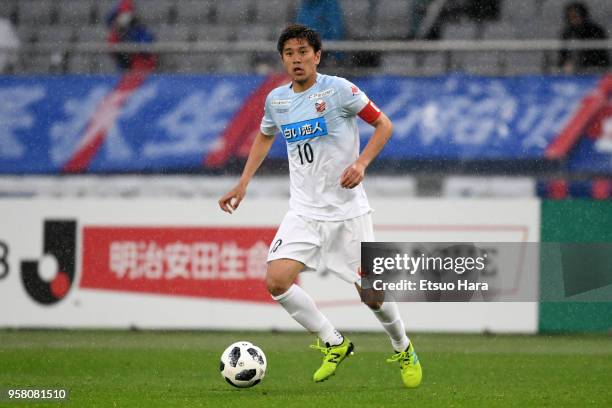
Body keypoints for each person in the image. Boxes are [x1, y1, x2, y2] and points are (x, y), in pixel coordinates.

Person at [218, 24, 422, 388]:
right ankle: (333, 341)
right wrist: (244, 182)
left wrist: (360, 164)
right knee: (277, 281)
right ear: (282, 59)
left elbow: (384, 125)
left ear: (317, 55)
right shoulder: (276, 101)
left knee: (371, 295)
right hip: (304, 212)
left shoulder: (339, 90)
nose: (296, 59)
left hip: (348, 213)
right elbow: (265, 136)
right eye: (289, 54)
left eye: (303, 52)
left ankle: (403, 346)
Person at [106, 0, 157, 72]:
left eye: (128, 14)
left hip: (141, 68)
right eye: (123, 14)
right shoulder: (115, 31)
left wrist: (132, 38)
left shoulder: (139, 29)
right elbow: (112, 48)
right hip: (124, 69)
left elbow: (146, 48)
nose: (125, 17)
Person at [558, 2, 609, 74]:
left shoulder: (595, 31)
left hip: (595, 70)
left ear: (583, 16)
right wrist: (566, 63)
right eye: (571, 17)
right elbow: (563, 55)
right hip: (574, 73)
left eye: (576, 16)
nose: (574, 19)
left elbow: (601, 55)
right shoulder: (567, 33)